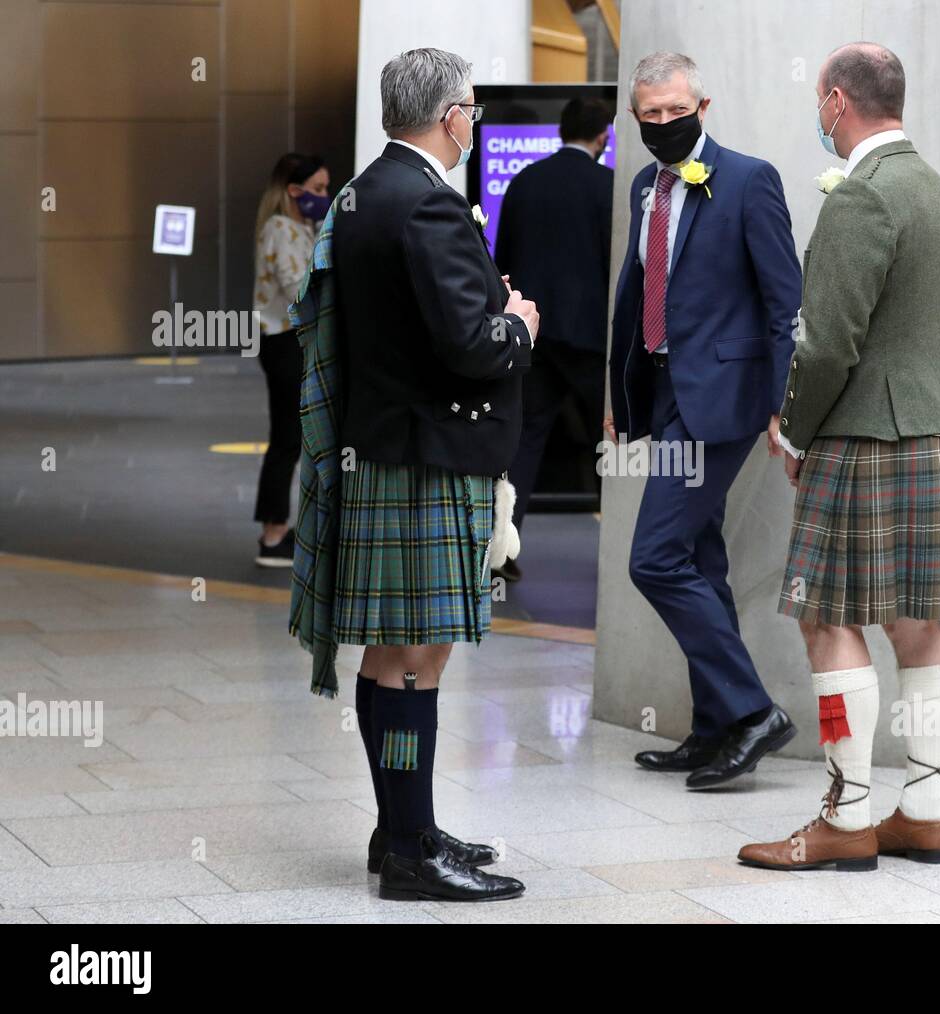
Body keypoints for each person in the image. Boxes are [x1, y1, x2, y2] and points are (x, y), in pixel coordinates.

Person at [739, 43, 940, 873]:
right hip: (937, 432)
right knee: (920, 624)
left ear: (837, 101)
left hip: (863, 436)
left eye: (821, 98)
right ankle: (925, 811)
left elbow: (826, 346)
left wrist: (793, 430)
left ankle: (847, 815)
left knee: (828, 620)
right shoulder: (934, 187)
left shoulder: (861, 197)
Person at [328, 47, 541, 901]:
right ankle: (413, 854)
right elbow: (468, 345)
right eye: (473, 110)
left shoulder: (363, 192)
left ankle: (400, 829)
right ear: (450, 116)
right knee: (416, 659)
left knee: (392, 654)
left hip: (388, 444)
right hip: (432, 454)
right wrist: (515, 319)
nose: (474, 122)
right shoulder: (429, 204)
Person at [606, 52, 802, 789]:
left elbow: (787, 301)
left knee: (654, 559)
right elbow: (636, 293)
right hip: (662, 392)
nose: (662, 123)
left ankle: (754, 712)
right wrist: (619, 392)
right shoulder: (642, 186)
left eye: (673, 110)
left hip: (722, 402)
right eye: (648, 114)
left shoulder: (750, 180)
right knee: (700, 561)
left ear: (702, 105)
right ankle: (717, 723)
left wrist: (787, 403)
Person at [494, 98, 615, 581]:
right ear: (603, 138)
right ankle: (620, 557)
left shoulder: (524, 182)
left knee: (523, 441)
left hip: (534, 336)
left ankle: (501, 551)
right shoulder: (608, 185)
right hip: (591, 340)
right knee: (609, 443)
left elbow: (503, 259)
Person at [251, 153, 329, 567]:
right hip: (282, 340)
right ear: (293, 191)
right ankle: (272, 532)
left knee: (292, 437)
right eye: (316, 189)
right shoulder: (281, 228)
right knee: (285, 437)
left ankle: (279, 525)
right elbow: (299, 286)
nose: (324, 196)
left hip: (291, 340)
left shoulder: (303, 226)